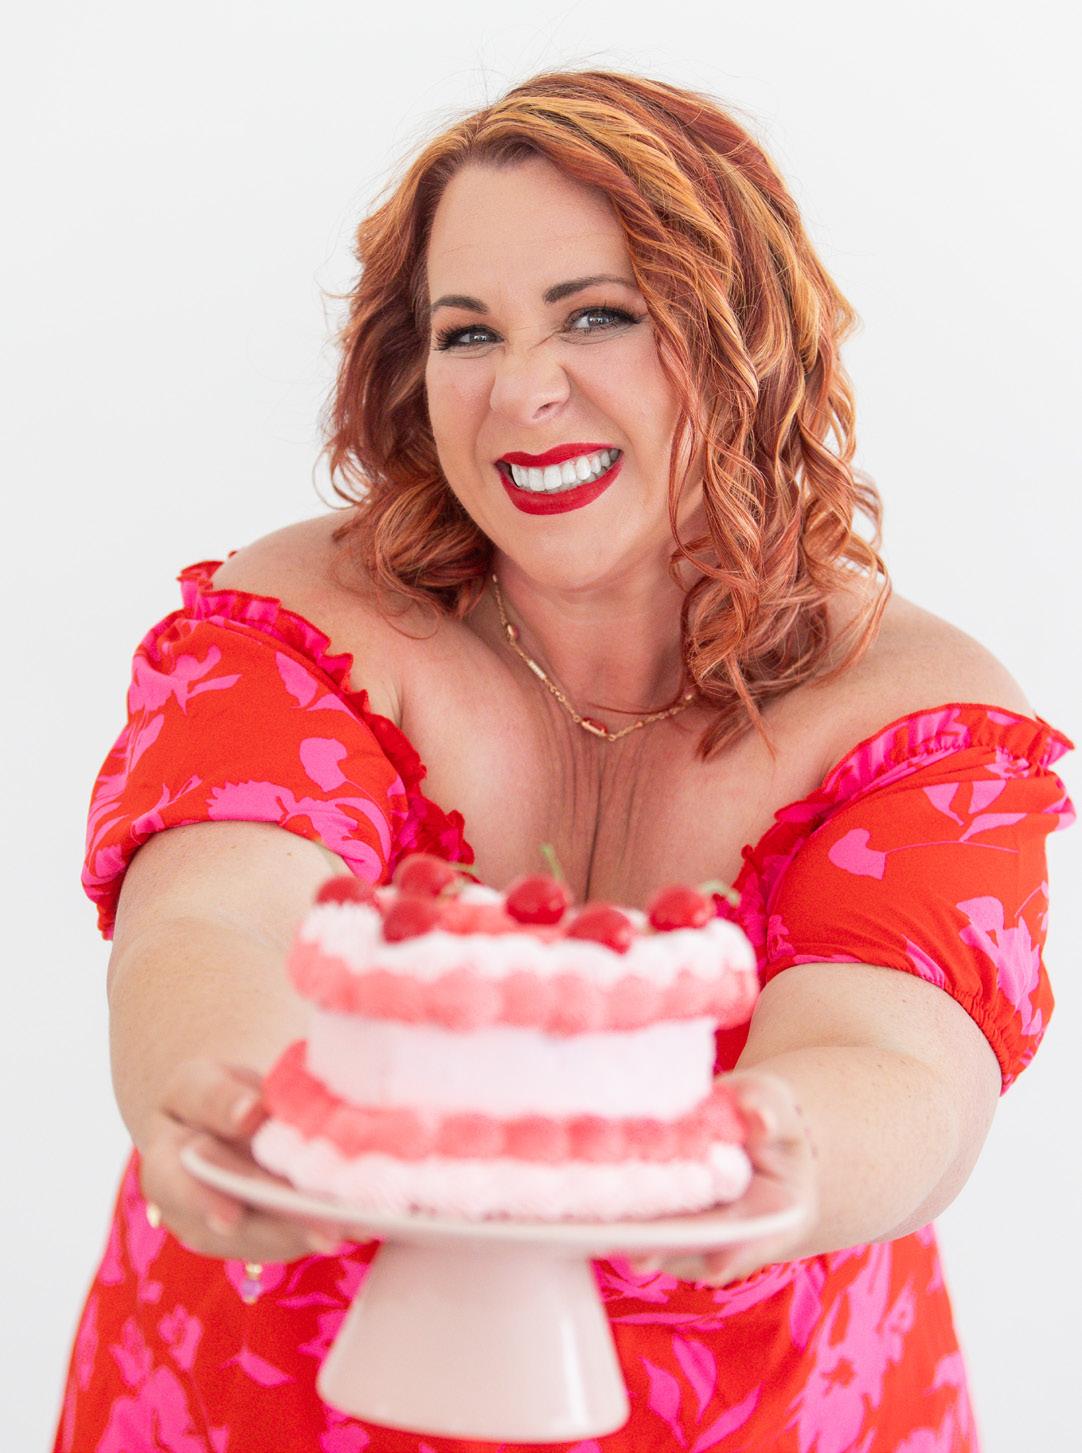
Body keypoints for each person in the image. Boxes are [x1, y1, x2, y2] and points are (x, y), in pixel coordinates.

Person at [53, 67, 1073, 1452]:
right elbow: (217, 920)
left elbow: (899, 1061)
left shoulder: (911, 713)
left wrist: (773, 1149)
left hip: (767, 1406)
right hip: (273, 1393)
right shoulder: (307, 621)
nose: (524, 392)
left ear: (743, 336)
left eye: (598, 314)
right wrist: (228, 1105)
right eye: (468, 332)